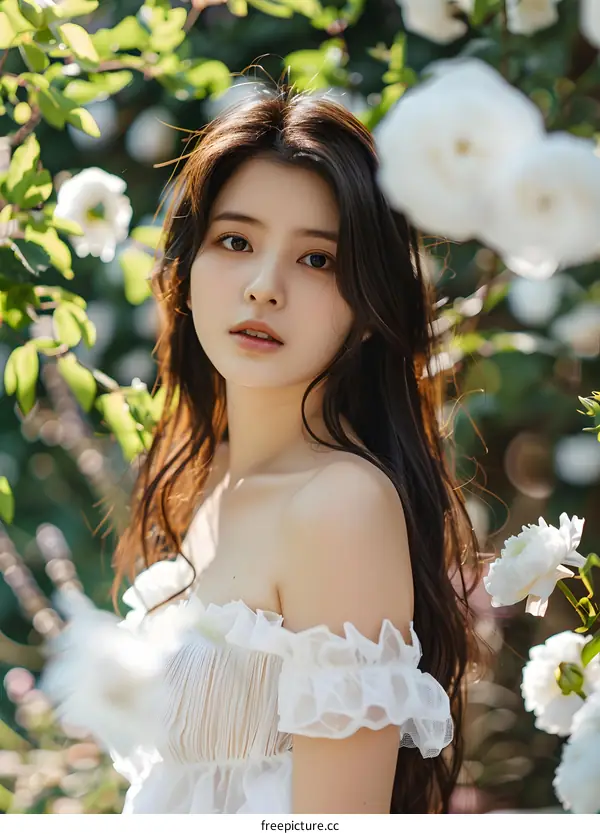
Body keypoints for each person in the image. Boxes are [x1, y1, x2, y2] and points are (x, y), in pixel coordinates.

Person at [41, 87, 482, 815]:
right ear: (185, 272)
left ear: (369, 310)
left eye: (316, 259)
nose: (263, 287)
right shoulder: (207, 480)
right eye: (236, 241)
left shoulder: (339, 505)